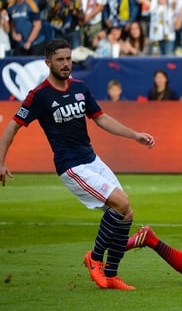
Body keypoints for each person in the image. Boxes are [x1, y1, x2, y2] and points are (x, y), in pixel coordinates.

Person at [0, 39, 156, 290]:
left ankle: (112, 275)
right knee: (121, 203)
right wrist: (1, 161)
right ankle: (94, 257)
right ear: (48, 62)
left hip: (91, 159)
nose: (66, 64)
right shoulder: (39, 95)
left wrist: (135, 134)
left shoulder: (81, 88)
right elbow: (12, 127)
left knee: (127, 214)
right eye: (60, 59)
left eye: (69, 58)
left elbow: (101, 119)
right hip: (71, 165)